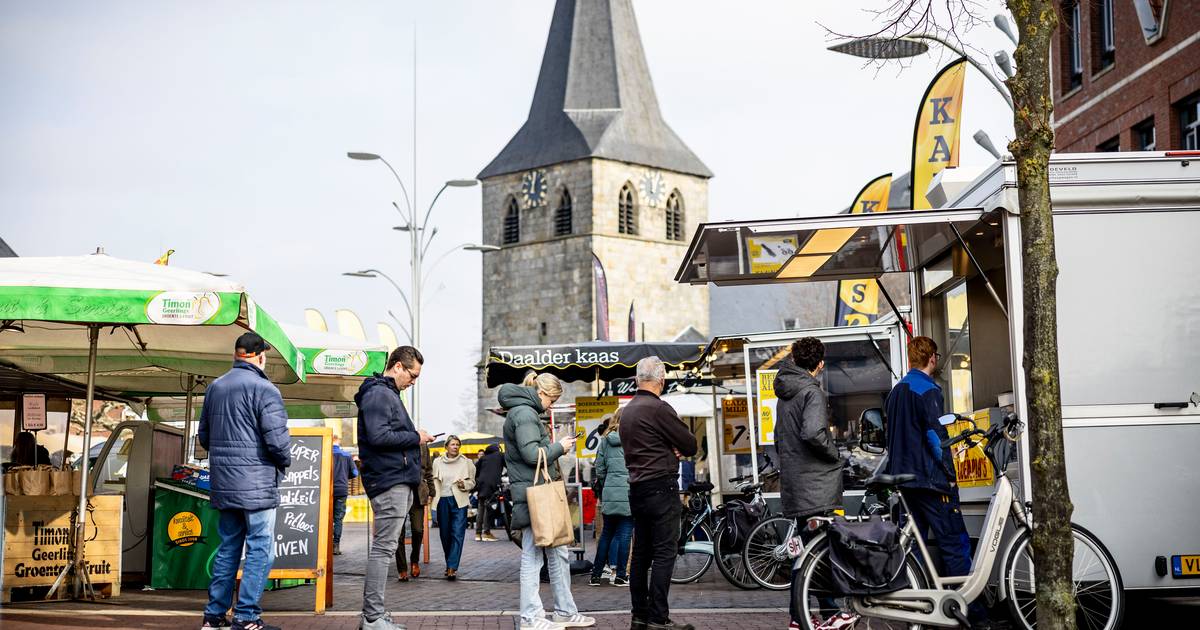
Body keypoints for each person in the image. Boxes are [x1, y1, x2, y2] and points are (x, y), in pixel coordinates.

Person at [198, 332, 291, 630]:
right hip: (257, 484)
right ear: (261, 356)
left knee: (228, 547)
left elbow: (204, 437)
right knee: (260, 548)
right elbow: (277, 442)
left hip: (224, 483)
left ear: (237, 355)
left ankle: (214, 616)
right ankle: (247, 616)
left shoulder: (215, 387)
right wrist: (284, 461)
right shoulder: (265, 389)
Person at [883, 336, 980, 619]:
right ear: (933, 358)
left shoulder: (897, 391)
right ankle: (969, 611)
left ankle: (920, 606)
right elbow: (935, 438)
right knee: (954, 544)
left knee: (914, 547)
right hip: (930, 481)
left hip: (905, 482)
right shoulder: (928, 390)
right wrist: (950, 474)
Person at [501, 372, 595, 630]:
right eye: (551, 400)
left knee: (556, 553)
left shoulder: (523, 412)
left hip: (536, 492)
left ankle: (564, 611)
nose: (551, 405)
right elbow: (532, 455)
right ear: (541, 393)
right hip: (536, 495)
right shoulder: (525, 414)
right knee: (535, 556)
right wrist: (559, 447)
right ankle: (531, 617)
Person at [775, 337, 853, 630]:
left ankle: (799, 617)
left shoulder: (785, 395)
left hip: (796, 484)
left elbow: (778, 438)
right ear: (820, 364)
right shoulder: (811, 392)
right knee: (820, 552)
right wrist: (834, 455)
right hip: (817, 485)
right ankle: (830, 612)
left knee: (804, 554)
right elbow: (812, 433)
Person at [356, 346, 435, 630]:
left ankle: (374, 614)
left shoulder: (384, 393)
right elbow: (378, 436)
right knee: (384, 549)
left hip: (391, 478)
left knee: (385, 547)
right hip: (389, 479)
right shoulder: (379, 393)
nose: (414, 381)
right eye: (413, 375)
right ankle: (373, 616)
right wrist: (416, 437)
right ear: (398, 366)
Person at [619, 356, 698, 630]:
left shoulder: (627, 411)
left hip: (637, 488)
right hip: (661, 487)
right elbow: (689, 444)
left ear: (637, 379)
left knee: (640, 553)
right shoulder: (659, 409)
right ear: (661, 380)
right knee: (665, 553)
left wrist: (668, 445)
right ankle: (658, 617)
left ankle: (639, 614)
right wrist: (673, 447)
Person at [589, 409, 632, 587]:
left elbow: (599, 468)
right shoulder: (633, 439)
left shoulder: (605, 441)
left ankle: (596, 575)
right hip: (629, 491)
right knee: (625, 534)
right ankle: (621, 575)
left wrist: (608, 484)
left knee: (607, 533)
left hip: (609, 492)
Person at [432, 434, 476, 579]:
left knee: (457, 533)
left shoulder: (467, 462)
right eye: (453, 444)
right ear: (446, 447)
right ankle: (449, 563)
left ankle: (452, 567)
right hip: (442, 501)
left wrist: (464, 484)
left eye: (457, 444)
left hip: (459, 501)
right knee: (445, 535)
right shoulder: (437, 462)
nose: (455, 447)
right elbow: (433, 482)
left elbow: (472, 483)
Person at [396, 439, 434, 581]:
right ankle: (402, 568)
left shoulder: (423, 446)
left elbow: (428, 470)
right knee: (399, 532)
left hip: (418, 493)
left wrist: (431, 492)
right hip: (399, 492)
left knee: (418, 530)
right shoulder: (396, 444)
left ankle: (414, 561)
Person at [331, 434, 358, 556]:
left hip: (326, 491)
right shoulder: (346, 455)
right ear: (338, 442)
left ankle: (323, 546)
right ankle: (335, 546)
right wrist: (344, 475)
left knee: (324, 519)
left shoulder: (324, 454)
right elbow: (355, 473)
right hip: (341, 490)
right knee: (338, 519)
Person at [473, 443, 505, 541]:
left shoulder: (483, 458)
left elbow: (475, 470)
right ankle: (486, 533)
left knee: (481, 507)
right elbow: (508, 466)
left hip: (481, 484)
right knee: (489, 507)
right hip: (492, 484)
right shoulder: (500, 456)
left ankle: (478, 534)